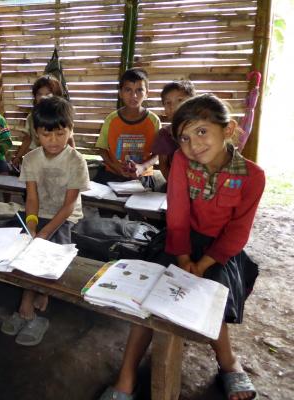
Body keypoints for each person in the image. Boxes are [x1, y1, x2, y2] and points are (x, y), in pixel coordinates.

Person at [99, 94, 264, 400]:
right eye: (184, 138)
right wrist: (184, 256)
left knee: (210, 298)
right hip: (179, 240)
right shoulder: (181, 164)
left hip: (220, 251)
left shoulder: (253, 176)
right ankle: (127, 375)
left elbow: (238, 230)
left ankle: (228, 363)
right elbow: (178, 214)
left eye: (202, 131)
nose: (193, 144)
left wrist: (201, 266)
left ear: (227, 130)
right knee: (147, 299)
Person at [1, 96, 89, 346]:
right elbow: (32, 197)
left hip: (64, 216)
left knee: (48, 254)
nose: (53, 141)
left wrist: (46, 232)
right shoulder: (31, 159)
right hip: (38, 212)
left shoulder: (76, 161)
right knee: (18, 246)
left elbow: (69, 204)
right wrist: (31, 225)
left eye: (60, 134)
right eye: (46, 134)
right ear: (36, 133)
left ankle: (29, 304)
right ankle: (36, 292)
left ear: (70, 130)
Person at [94, 68, 161, 189]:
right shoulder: (111, 119)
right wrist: (116, 166)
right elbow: (101, 148)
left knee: (138, 205)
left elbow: (158, 153)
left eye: (139, 90)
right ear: (120, 93)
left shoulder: (153, 120)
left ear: (147, 94)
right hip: (112, 173)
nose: (133, 95)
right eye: (128, 90)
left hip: (142, 176)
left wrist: (142, 168)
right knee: (107, 204)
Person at [11, 75, 75, 168]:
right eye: (39, 94)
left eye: (48, 94)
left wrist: (73, 158)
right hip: (37, 159)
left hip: (58, 159)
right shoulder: (31, 117)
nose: (42, 97)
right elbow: (27, 139)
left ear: (56, 95)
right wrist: (18, 157)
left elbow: (70, 139)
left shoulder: (63, 117)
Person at [152, 80, 196, 181]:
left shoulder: (201, 131)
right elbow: (163, 166)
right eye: (168, 102)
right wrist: (176, 187)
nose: (173, 106)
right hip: (175, 185)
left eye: (180, 100)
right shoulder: (164, 135)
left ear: (192, 103)